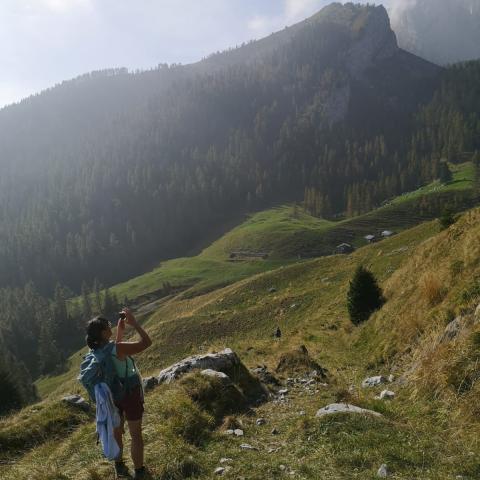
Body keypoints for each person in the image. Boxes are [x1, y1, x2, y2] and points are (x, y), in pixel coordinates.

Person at [85, 308, 152, 479]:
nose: (110, 326)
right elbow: (146, 343)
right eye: (108, 325)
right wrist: (134, 323)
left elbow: (114, 356)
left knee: (117, 432)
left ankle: (119, 467)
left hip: (111, 397)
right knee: (135, 434)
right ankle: (139, 472)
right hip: (129, 393)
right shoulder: (118, 348)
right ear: (103, 332)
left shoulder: (96, 352)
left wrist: (120, 332)